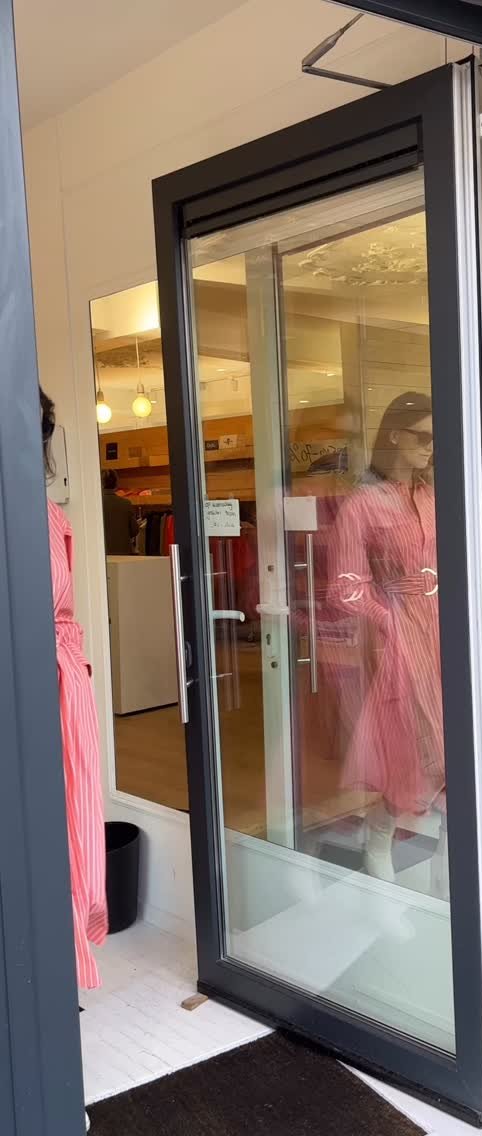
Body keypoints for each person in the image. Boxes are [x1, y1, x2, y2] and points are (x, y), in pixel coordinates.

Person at [327, 392, 445, 883]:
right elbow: (344, 587)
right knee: (408, 748)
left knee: (451, 745)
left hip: (444, 630)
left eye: (436, 439)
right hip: (399, 638)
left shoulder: (432, 497)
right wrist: (388, 619)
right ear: (395, 435)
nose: (431, 447)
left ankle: (449, 868)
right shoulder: (362, 505)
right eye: (423, 436)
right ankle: (378, 840)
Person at [42, 389, 106, 1130]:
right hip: (34, 687)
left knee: (71, 826)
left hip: (62, 684)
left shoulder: (50, 513)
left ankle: (59, 981)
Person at [101, 468, 139, 555]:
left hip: (102, 553)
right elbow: (134, 530)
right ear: (116, 484)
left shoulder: (95, 505)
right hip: (124, 552)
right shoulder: (126, 503)